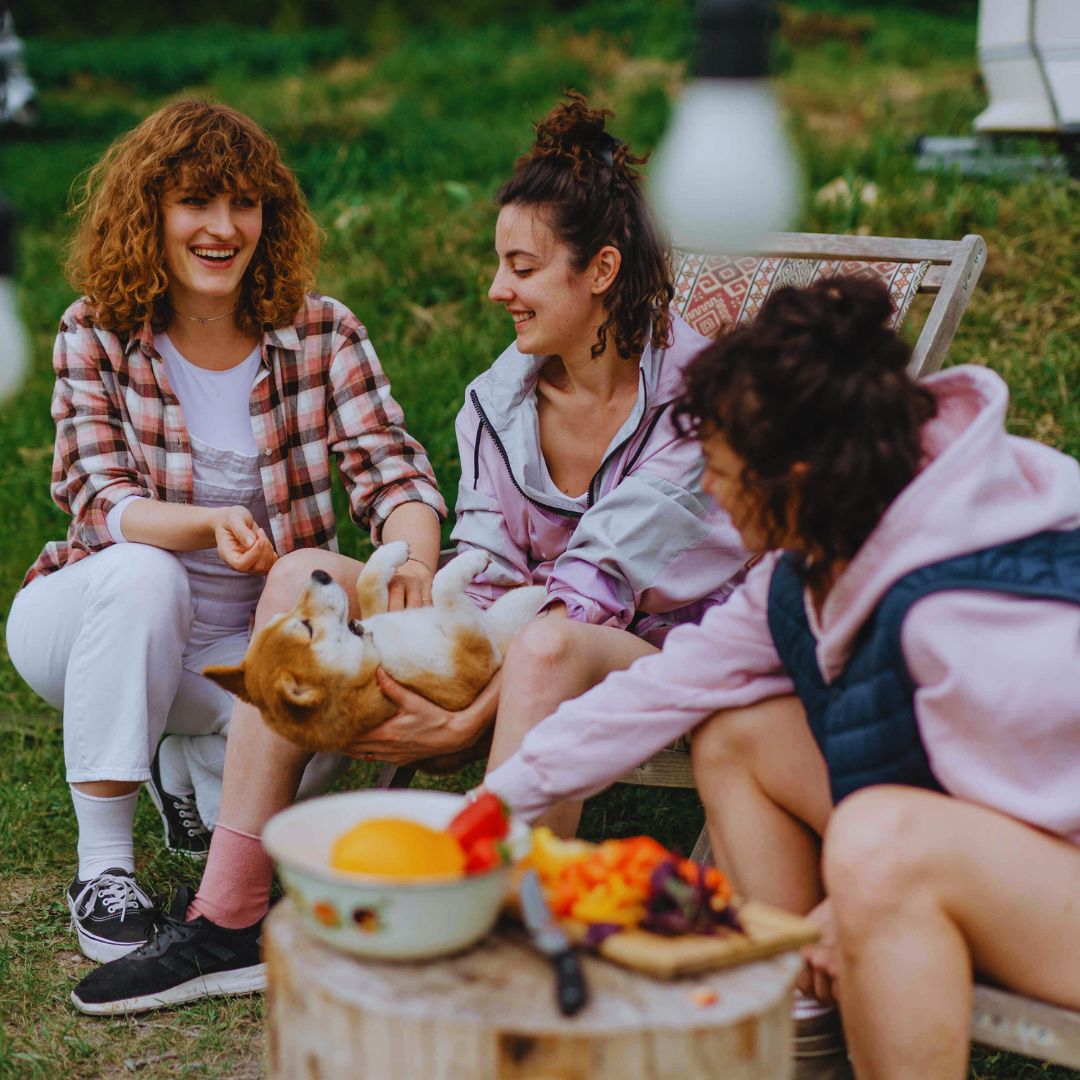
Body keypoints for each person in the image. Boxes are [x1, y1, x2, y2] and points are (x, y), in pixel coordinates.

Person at [69, 92, 749, 1015]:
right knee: (299, 575)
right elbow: (487, 565)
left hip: (660, 653)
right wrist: (424, 623)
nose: (496, 289)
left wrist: (460, 725)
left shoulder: (696, 405)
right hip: (523, 631)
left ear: (602, 271)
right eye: (499, 264)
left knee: (549, 644)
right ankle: (230, 915)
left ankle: (503, 937)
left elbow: (591, 597)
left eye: (521, 268)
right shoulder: (499, 398)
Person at [472, 277, 1080, 1079]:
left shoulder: (967, 614)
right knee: (736, 731)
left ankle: (868, 942)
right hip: (968, 834)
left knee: (876, 847)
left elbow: (1025, 816)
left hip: (1050, 850)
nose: (709, 492)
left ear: (791, 473)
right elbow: (660, 691)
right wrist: (483, 819)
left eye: (718, 472)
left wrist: (855, 900)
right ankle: (803, 1035)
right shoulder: (817, 553)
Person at [6, 100, 445, 973]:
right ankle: (105, 869)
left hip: (240, 648)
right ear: (151, 213)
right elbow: (100, 500)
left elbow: (393, 473)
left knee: (317, 757)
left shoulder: (322, 332)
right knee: (148, 576)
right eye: (196, 202)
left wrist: (414, 565)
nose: (222, 227)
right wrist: (205, 523)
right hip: (95, 622)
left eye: (245, 204)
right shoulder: (95, 330)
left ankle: (189, 774)